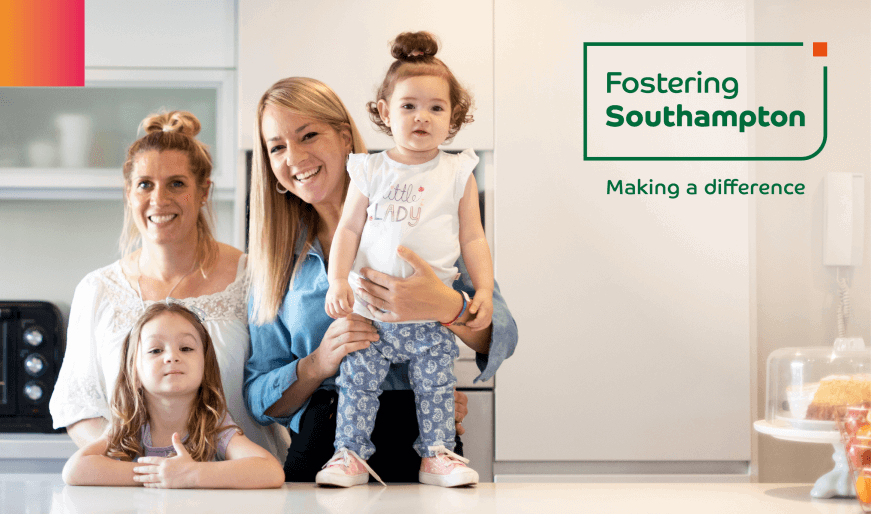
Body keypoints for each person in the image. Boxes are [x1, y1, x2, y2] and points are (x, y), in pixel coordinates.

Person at [244, 75, 517, 484]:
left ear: (343, 137)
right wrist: (318, 363)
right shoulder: (273, 262)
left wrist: (448, 306)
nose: (294, 157)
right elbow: (261, 399)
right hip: (322, 453)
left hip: (420, 446)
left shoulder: (426, 215)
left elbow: (501, 337)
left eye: (308, 135)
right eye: (277, 147)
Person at [49, 111, 287, 463]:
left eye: (176, 183)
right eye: (145, 184)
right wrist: (147, 469)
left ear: (203, 191)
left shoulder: (255, 278)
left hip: (242, 489)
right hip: (139, 490)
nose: (159, 199)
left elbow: (281, 391)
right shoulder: (97, 289)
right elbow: (78, 408)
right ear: (129, 194)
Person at [321, 31, 490, 488]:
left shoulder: (458, 172)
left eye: (437, 107)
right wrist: (338, 282)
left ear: (454, 117)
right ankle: (349, 455)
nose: (422, 117)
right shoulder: (369, 169)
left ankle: (437, 454)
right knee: (356, 385)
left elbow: (474, 237)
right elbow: (349, 230)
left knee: (435, 388)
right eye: (409, 105)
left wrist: (486, 291)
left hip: (431, 320)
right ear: (383, 111)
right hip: (370, 316)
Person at [62, 303, 284, 488]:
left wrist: (192, 474)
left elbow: (270, 470)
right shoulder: (130, 424)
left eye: (186, 348)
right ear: (134, 373)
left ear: (205, 367)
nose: (171, 356)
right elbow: (75, 470)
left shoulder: (213, 423)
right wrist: (161, 475)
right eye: (155, 350)